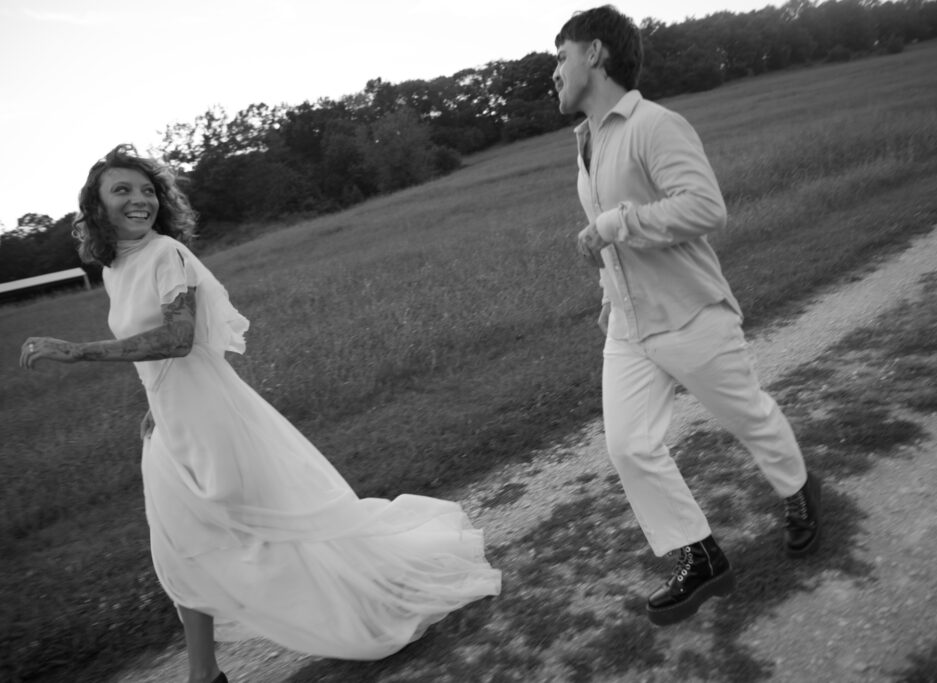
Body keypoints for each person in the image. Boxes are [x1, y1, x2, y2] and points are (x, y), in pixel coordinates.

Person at [19, 145, 501, 683]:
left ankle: (376, 601)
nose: (139, 200)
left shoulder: (167, 255)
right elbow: (153, 356)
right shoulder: (117, 268)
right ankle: (205, 674)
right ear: (97, 206)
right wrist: (154, 407)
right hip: (170, 426)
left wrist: (78, 350)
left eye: (147, 189)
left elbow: (179, 339)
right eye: (122, 190)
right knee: (179, 551)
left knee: (268, 537)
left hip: (213, 423)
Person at [552, 6, 822, 626]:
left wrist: (618, 223)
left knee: (746, 415)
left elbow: (705, 208)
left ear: (595, 54)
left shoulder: (654, 125)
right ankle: (698, 556)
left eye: (561, 56)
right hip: (628, 325)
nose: (555, 72)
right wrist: (606, 292)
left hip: (690, 313)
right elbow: (611, 240)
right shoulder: (586, 142)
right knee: (627, 446)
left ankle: (798, 489)